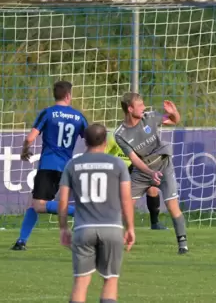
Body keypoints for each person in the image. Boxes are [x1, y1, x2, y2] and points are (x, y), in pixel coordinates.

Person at [58, 123, 135, 303]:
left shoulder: (72, 165)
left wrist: (63, 228)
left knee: (81, 282)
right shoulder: (117, 164)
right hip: (112, 228)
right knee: (110, 280)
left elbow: (62, 200)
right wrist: (130, 227)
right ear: (106, 142)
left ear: (85, 141)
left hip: (83, 228)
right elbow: (126, 199)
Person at [11, 81, 88, 250]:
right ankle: (21, 241)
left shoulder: (48, 113)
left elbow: (30, 138)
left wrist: (24, 150)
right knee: (35, 204)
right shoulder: (78, 117)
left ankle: (79, 213)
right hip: (68, 167)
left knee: (38, 205)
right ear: (68, 95)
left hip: (48, 165)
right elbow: (91, 140)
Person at [114, 92, 188, 254]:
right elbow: (134, 159)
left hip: (163, 166)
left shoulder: (150, 117)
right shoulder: (120, 134)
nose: (143, 107)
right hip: (142, 172)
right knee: (124, 207)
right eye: (139, 105)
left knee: (172, 205)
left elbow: (175, 120)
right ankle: (113, 243)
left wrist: (174, 112)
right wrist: (149, 172)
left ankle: (183, 245)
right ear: (130, 108)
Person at [105, 132, 168, 230]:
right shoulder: (112, 137)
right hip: (114, 170)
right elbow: (102, 155)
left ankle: (155, 223)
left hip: (134, 169)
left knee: (152, 187)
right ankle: (115, 223)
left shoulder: (142, 139)